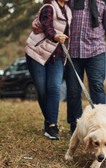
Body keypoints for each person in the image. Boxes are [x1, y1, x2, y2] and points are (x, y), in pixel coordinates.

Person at [32, 0, 106, 135]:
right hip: (73, 53)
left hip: (96, 52)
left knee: (97, 87)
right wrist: (36, 22)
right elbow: (50, 11)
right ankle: (75, 126)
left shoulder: (101, 4)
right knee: (73, 91)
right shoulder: (70, 2)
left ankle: (102, 125)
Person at [25, 0, 72, 140]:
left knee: (54, 88)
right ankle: (48, 121)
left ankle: (52, 126)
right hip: (37, 53)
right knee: (42, 90)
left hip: (56, 56)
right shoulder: (48, 7)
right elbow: (47, 26)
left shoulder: (69, 11)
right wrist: (55, 36)